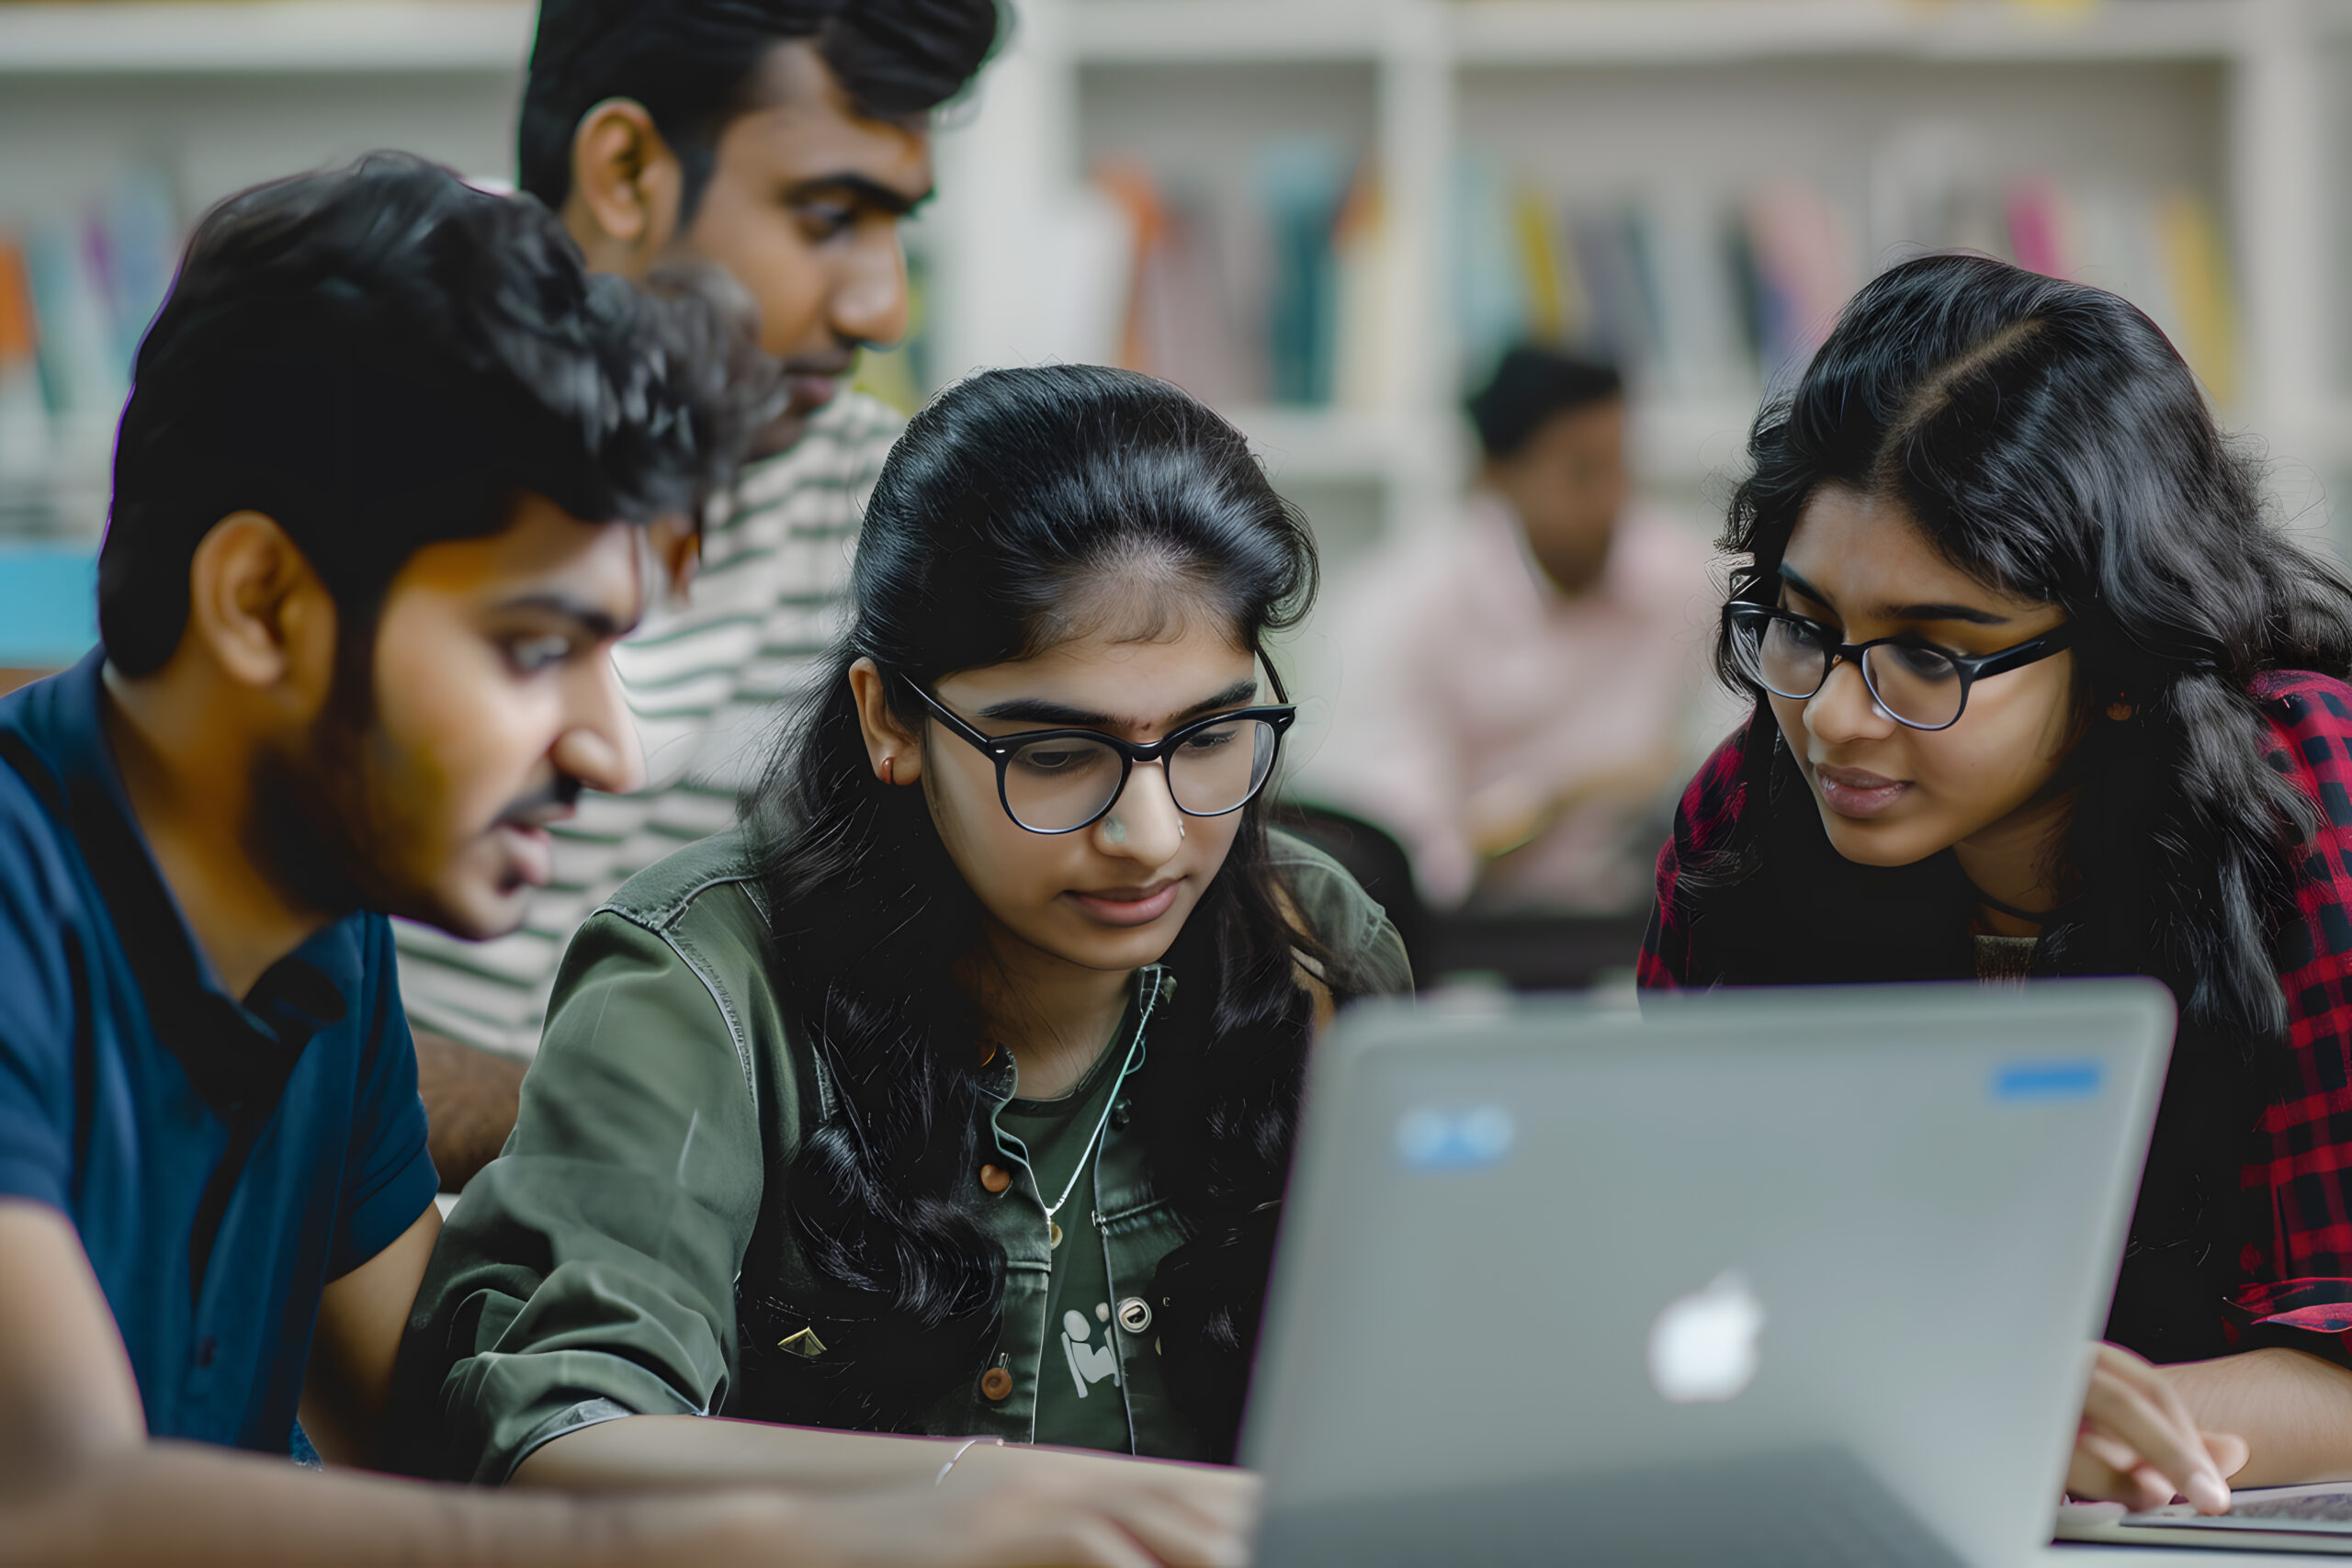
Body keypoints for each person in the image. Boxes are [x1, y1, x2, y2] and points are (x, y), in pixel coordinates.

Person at [0, 156, 1232, 1568]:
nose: (611, 752)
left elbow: (440, 1443)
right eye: (537, 647)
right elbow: (54, 1506)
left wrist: (1003, 1493)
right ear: (260, 601)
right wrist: (934, 1519)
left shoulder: (317, 938)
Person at [390, 367, 1410, 1521]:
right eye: (1057, 752)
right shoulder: (700, 983)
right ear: (891, 721)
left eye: (1212, 734)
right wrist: (981, 1496)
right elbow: (558, 1440)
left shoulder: (1315, 946)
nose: (1152, 836)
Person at [1641, 252, 2352, 1515]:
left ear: (2128, 654)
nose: (1836, 721)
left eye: (1929, 652)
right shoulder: (1741, 822)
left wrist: (2029, 1405)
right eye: (1803, 624)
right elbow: (1700, 1321)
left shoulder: (2311, 802)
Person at [396, 0, 1001, 1190]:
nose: (882, 307)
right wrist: (624, 1115)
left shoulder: (899, 514)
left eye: (896, 229)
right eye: (828, 218)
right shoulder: (345, 420)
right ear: (625, 170)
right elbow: (206, 1006)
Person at [1295, 345, 1724, 919]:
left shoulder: (1684, 583)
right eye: (1581, 472)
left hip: (1648, 921)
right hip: (1460, 947)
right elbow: (1399, 863)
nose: (1611, 500)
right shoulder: (1399, 611)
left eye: (1620, 466)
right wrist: (1561, 799)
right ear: (1495, 477)